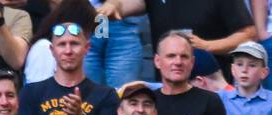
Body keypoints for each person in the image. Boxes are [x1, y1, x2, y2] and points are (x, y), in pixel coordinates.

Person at [96, 0, 257, 72]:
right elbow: (135, 3)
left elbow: (248, 35)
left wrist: (207, 46)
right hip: (168, 88)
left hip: (211, 87)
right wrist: (114, 4)